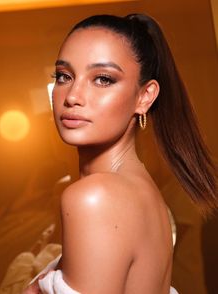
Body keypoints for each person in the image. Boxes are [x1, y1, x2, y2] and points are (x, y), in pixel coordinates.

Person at [23, 13, 217, 293]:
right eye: (64, 76)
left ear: (145, 96)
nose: (73, 96)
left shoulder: (94, 198)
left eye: (102, 79)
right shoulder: (147, 196)